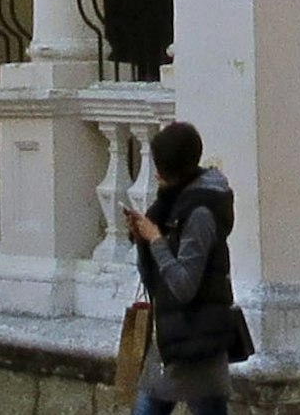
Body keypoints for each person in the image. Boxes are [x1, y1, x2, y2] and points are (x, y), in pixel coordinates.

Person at [122, 120, 241, 410]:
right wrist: (143, 239)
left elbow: (183, 285)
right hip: (174, 339)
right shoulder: (172, 204)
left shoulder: (200, 212)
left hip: (196, 340)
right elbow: (155, 281)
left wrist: (155, 241)